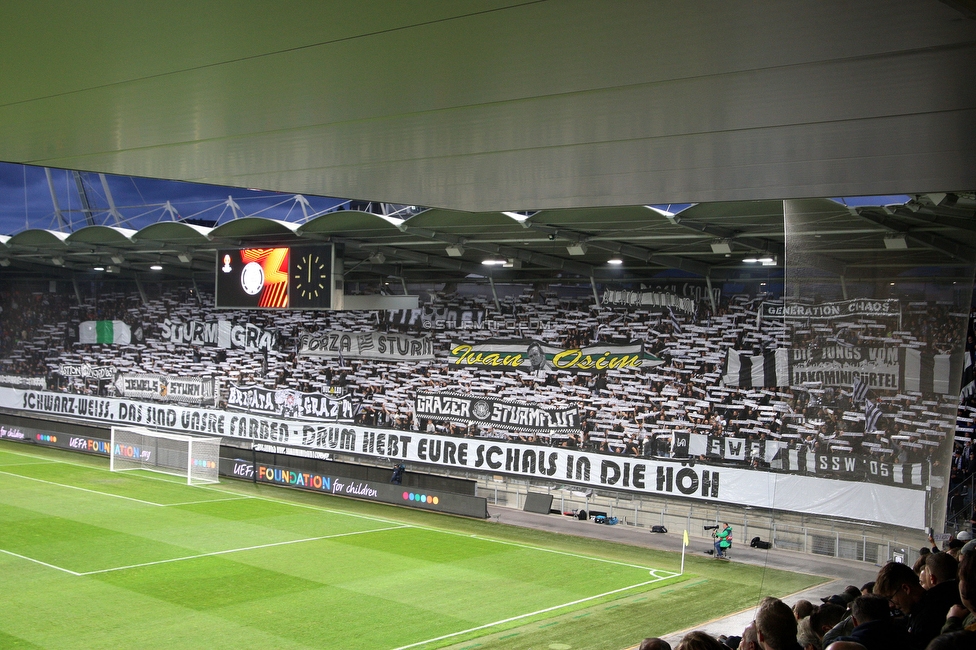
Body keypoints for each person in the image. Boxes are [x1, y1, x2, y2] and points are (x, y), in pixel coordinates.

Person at [873, 560, 961, 648]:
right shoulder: (925, 607)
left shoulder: (927, 618)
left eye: (890, 598)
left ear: (906, 588)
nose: (891, 605)